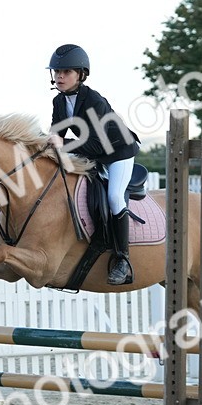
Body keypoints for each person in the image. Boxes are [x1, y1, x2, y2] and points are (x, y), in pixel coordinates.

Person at [45, 43, 141, 285]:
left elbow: (96, 145)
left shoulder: (94, 100)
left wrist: (60, 142)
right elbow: (57, 135)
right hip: (95, 152)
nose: (60, 76)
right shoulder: (59, 102)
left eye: (66, 72)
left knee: (114, 198)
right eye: (57, 72)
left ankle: (122, 260)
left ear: (81, 74)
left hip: (118, 151)